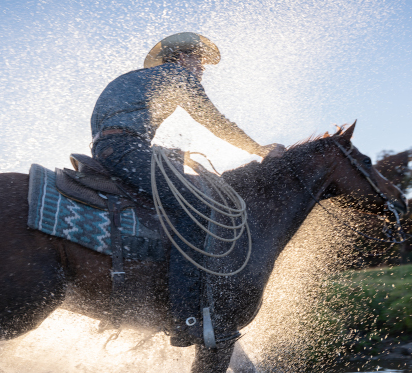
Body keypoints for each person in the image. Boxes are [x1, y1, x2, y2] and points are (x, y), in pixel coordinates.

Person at [90, 32, 284, 346]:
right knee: (196, 208)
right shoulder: (178, 75)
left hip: (113, 148)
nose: (201, 69)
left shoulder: (143, 78)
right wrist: (259, 149)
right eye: (199, 60)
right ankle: (186, 317)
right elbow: (214, 120)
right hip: (126, 149)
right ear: (181, 58)